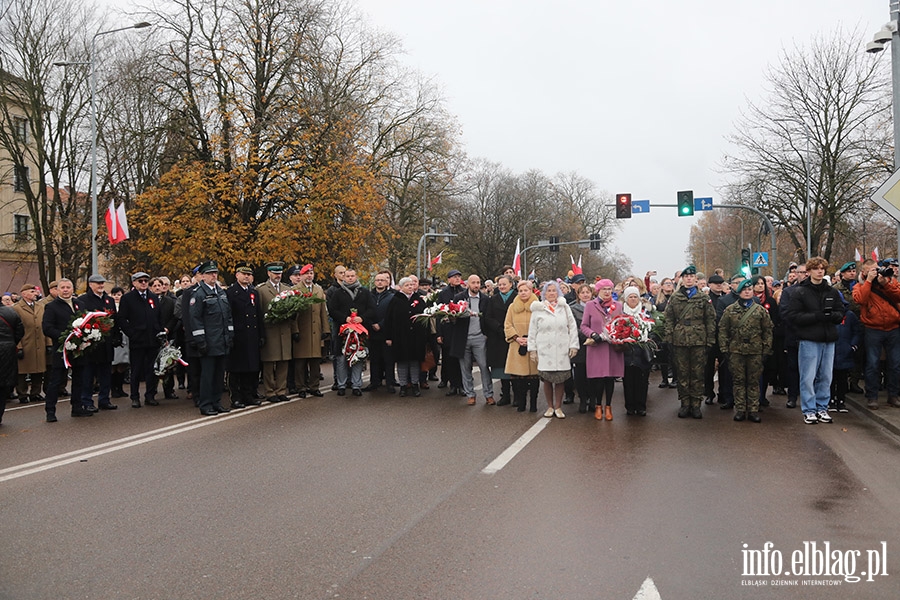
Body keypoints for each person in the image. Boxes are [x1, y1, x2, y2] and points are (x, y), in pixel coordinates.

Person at [782, 257, 846, 424]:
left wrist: (833, 316)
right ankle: (809, 409)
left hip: (828, 338)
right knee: (808, 376)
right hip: (809, 339)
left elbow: (841, 311)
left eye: (822, 269)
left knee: (826, 376)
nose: (820, 271)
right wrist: (816, 317)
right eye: (816, 268)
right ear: (809, 272)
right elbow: (792, 316)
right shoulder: (800, 292)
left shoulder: (831, 292)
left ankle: (822, 407)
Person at [664, 265, 716, 419]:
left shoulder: (704, 298)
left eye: (691, 276)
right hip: (680, 340)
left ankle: (696, 404)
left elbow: (710, 320)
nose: (688, 279)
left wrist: (710, 340)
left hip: (699, 340)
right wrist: (669, 338)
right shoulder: (675, 298)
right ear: (682, 279)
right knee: (683, 373)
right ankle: (685, 403)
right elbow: (669, 319)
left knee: (697, 373)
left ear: (695, 279)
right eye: (686, 276)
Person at [718, 279, 773, 422]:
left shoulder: (760, 310)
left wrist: (766, 350)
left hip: (755, 351)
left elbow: (767, 331)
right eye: (744, 290)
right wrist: (725, 349)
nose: (747, 292)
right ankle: (741, 409)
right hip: (736, 351)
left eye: (749, 289)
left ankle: (753, 410)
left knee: (753, 381)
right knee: (738, 381)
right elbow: (723, 330)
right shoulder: (730, 310)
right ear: (738, 292)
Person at [852, 258, 900, 409]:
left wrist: (885, 284)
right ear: (865, 272)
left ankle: (893, 395)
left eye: (877, 268)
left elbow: (898, 296)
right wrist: (868, 282)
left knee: (895, 364)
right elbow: (860, 299)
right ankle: (872, 396)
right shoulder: (859, 286)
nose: (876, 271)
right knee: (872, 364)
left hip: (893, 327)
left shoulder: (889, 282)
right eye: (872, 270)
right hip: (873, 329)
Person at [528, 280, 579, 418]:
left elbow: (572, 326)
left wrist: (574, 345)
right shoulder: (538, 309)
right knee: (548, 379)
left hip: (561, 348)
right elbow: (532, 330)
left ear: (558, 292)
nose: (551, 293)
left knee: (560, 379)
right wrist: (532, 349)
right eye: (548, 291)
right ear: (544, 293)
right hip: (544, 349)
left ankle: (558, 407)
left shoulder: (564, 307)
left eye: (554, 290)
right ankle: (550, 406)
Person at [188, 260, 234, 415]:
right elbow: (195, 319)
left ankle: (216, 402)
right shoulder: (199, 294)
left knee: (219, 375)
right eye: (210, 273)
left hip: (222, 340)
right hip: (208, 342)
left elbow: (227, 317)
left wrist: (230, 335)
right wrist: (200, 341)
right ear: (202, 276)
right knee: (207, 376)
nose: (214, 276)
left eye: (215, 273)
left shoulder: (221, 292)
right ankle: (206, 404)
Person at [41, 279, 89, 421]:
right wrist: (65, 338)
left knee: (79, 379)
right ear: (58, 290)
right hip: (61, 349)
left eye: (68, 287)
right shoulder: (51, 306)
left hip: (79, 348)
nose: (66, 290)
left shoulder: (80, 304)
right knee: (56, 380)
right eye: (62, 287)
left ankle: (77, 407)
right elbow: (47, 328)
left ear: (72, 289)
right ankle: (50, 411)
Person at [117, 272, 165, 408]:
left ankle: (150, 395)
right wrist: (132, 333)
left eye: (145, 281)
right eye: (140, 281)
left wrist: (160, 332)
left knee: (152, 369)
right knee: (136, 370)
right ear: (134, 283)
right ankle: (135, 397)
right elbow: (121, 319)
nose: (143, 283)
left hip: (152, 340)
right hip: (138, 340)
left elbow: (159, 317)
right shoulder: (128, 298)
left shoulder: (153, 297)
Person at [327, 268, 376, 396]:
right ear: (344, 278)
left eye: (352, 276)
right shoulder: (338, 293)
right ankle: (342, 384)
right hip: (342, 331)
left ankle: (356, 385)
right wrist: (345, 318)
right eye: (347, 276)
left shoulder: (364, 292)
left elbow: (372, 309)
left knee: (357, 357)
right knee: (341, 358)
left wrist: (362, 318)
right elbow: (332, 309)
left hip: (360, 332)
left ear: (356, 277)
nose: (349, 278)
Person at [581, 279, 624, 421]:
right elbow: (584, 326)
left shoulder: (618, 305)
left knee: (610, 378)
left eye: (609, 289)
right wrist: (593, 334)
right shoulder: (590, 305)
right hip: (597, 347)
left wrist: (617, 333)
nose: (607, 292)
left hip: (612, 347)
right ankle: (598, 405)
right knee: (598, 379)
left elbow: (622, 323)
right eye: (604, 289)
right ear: (598, 291)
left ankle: (609, 407)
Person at [449, 274, 494, 406]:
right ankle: (470, 394)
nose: (476, 285)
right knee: (465, 367)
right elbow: (453, 317)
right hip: (463, 338)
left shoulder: (485, 299)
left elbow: (488, 317)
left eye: (478, 282)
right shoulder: (459, 298)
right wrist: (452, 316)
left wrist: (486, 335)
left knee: (484, 366)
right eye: (473, 282)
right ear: (467, 284)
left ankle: (488, 394)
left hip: (480, 337)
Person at [225, 262, 265, 409]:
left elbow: (258, 315)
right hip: (238, 336)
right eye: (244, 274)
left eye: (249, 275)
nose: (247, 277)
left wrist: (261, 335)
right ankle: (236, 397)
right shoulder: (231, 292)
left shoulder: (253, 292)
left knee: (251, 368)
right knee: (236, 369)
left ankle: (248, 395)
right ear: (237, 275)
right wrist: (230, 335)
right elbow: (228, 315)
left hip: (252, 335)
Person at [77, 274, 119, 411]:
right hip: (91, 344)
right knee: (88, 375)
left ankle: (104, 400)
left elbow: (114, 320)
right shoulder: (83, 300)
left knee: (106, 374)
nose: (101, 285)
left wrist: (116, 337)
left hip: (106, 344)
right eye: (97, 283)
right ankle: (87, 401)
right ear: (90, 284)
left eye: (102, 283)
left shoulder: (109, 300)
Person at [289, 263, 328, 398]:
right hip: (302, 331)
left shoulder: (318, 290)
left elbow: (323, 311)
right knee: (300, 363)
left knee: (315, 362)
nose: (309, 276)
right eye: (306, 273)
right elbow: (293, 314)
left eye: (311, 273)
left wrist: (325, 329)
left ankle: (314, 386)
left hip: (316, 331)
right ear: (301, 276)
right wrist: (295, 331)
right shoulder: (295, 290)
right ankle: (301, 387)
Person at [257, 261, 294, 403]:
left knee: (283, 362)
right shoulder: (262, 290)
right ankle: (270, 391)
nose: (277, 275)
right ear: (268, 273)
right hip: (270, 331)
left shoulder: (286, 288)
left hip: (284, 330)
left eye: (279, 273)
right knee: (269, 363)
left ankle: (281, 390)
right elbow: (259, 313)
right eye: (275, 273)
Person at [385, 276, 427, 396]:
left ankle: (415, 385)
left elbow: (425, 316)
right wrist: (389, 337)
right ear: (401, 287)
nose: (410, 287)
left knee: (414, 361)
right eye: (407, 285)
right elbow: (389, 319)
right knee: (402, 362)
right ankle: (403, 385)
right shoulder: (395, 300)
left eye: (411, 285)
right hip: (400, 336)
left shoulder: (418, 299)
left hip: (416, 336)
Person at [504, 279, 540, 412]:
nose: (523, 293)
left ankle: (533, 404)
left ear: (531, 291)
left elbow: (542, 325)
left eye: (526, 290)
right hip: (516, 345)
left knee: (534, 377)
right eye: (520, 291)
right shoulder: (512, 307)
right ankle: (521, 402)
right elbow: (507, 325)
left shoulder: (538, 306)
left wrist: (531, 339)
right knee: (519, 378)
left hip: (533, 346)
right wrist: (516, 337)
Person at [620, 286, 654, 416]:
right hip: (626, 353)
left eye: (635, 297)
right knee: (628, 381)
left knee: (642, 381)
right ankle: (629, 406)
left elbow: (653, 329)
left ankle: (641, 406)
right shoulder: (622, 313)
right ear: (626, 299)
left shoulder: (645, 312)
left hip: (642, 353)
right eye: (630, 297)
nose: (633, 299)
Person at [484, 275, 516, 405]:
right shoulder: (493, 299)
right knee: (502, 367)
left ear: (511, 285)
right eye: (500, 284)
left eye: (504, 284)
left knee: (515, 367)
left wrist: (511, 331)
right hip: (498, 337)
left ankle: (518, 396)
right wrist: (499, 328)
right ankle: (505, 395)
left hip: (514, 337)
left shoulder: (517, 298)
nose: (502, 287)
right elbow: (488, 317)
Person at [12, 284, 46, 404]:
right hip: (26, 342)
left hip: (39, 342)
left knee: (38, 369)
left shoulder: (40, 306)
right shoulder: (16, 308)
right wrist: (18, 346)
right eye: (32, 291)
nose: (35, 294)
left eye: (35, 292)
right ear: (24, 293)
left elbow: (44, 325)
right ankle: (22, 393)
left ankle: (35, 393)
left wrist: (48, 343)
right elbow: (14, 329)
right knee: (22, 370)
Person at [367, 270, 397, 393]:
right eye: (377, 280)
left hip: (386, 332)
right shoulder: (369, 296)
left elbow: (393, 315)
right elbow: (365, 312)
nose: (380, 282)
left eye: (382, 280)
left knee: (388, 359)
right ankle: (374, 382)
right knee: (374, 359)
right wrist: (371, 324)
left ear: (387, 282)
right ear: (374, 282)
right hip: (372, 332)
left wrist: (381, 324)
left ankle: (390, 383)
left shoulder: (392, 297)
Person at [436, 269, 465, 395]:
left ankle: (462, 385)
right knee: (449, 358)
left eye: (459, 276)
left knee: (462, 359)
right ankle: (453, 385)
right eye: (454, 277)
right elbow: (438, 313)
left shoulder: (464, 292)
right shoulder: (443, 293)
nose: (457, 279)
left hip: (461, 328)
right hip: (447, 329)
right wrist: (439, 334)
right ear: (449, 279)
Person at [150, 277, 179, 400]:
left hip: (168, 336)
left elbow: (175, 316)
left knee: (168, 365)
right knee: (154, 365)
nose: (157, 287)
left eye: (159, 285)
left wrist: (168, 328)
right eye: (154, 285)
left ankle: (169, 390)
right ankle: (152, 391)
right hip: (153, 337)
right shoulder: (148, 301)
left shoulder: (169, 301)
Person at [568, 283, 593, 413]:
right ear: (578, 295)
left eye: (587, 292)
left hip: (595, 345)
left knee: (593, 375)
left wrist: (595, 336)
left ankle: (593, 399)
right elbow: (572, 327)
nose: (585, 295)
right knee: (580, 375)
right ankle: (583, 399)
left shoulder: (597, 307)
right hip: (580, 344)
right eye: (582, 292)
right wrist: (587, 335)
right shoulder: (572, 309)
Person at [0, 301, 24, 425]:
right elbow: (20, 331)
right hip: (8, 350)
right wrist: (11, 342)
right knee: (3, 385)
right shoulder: (11, 312)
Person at [652, 278, 677, 388]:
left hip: (674, 330)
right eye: (666, 283)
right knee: (663, 355)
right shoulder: (656, 300)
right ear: (661, 286)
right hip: (661, 331)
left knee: (674, 356)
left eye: (670, 283)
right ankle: (664, 379)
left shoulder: (676, 298)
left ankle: (675, 379)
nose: (668, 285)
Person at [110, 286, 130, 398]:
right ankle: (113, 389)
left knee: (123, 363)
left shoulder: (125, 305)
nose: (116, 297)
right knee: (114, 363)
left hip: (124, 336)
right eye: (114, 294)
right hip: (114, 337)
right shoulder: (110, 306)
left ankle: (120, 387)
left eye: (119, 294)